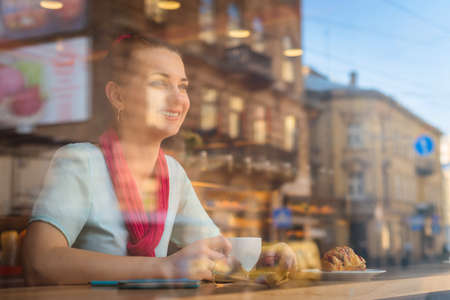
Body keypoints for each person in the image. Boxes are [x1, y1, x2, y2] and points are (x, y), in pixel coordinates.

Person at [22, 34, 296, 285]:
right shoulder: (81, 161)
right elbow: (40, 262)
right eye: (159, 83)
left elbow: (214, 251)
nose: (178, 99)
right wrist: (165, 267)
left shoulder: (173, 174)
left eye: (183, 86)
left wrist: (262, 256)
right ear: (118, 96)